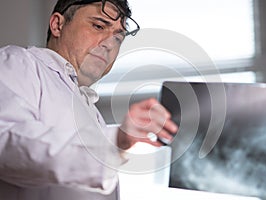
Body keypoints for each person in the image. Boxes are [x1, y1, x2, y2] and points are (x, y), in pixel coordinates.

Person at [0, 0, 178, 199]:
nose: (110, 44)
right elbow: (8, 143)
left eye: (118, 39)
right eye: (99, 26)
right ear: (58, 25)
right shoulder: (19, 62)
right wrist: (115, 141)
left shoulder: (91, 113)